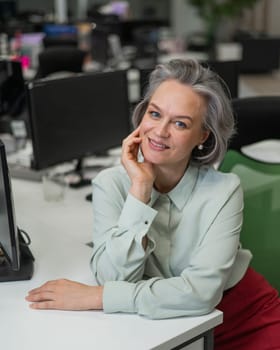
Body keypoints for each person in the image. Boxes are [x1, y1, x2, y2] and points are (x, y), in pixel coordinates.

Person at [26, 59, 280, 349]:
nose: (160, 131)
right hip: (163, 324)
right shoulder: (111, 184)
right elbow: (112, 277)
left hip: (242, 315)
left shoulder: (223, 190)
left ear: (202, 136)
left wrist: (98, 297)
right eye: (155, 113)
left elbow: (201, 294)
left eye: (180, 123)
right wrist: (140, 192)